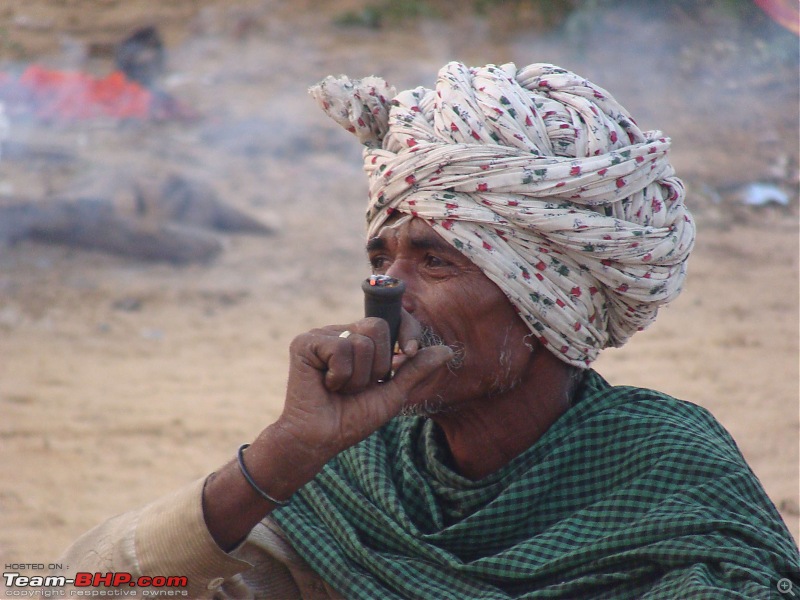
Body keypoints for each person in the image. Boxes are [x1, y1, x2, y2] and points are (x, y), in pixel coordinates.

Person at [57, 61, 799, 599]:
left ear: (544, 304)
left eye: (436, 260)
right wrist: (278, 459)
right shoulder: (359, 479)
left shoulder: (661, 479)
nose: (383, 287)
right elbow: (65, 587)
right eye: (381, 253)